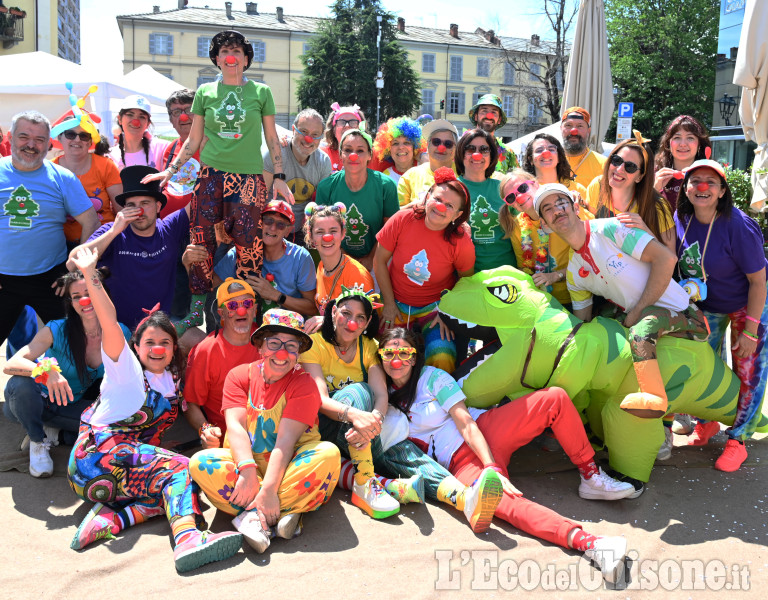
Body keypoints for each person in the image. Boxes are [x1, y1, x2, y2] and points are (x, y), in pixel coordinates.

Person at [378, 327, 633, 584]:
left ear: (415, 356)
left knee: (554, 399)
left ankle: (590, 475)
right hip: (460, 463)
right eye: (389, 352)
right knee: (501, 505)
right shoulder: (381, 397)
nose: (396, 360)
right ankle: (592, 543)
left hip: (486, 429)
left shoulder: (432, 378)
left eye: (404, 352)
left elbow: (466, 423)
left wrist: (492, 467)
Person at [66, 247, 242, 572]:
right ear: (135, 346)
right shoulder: (126, 371)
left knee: (182, 476)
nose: (157, 348)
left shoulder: (174, 378)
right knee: (179, 471)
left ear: (175, 347)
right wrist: (92, 275)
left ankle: (116, 517)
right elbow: (107, 320)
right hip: (95, 462)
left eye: (165, 342)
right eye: (149, 342)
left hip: (116, 469)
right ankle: (188, 539)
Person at [144, 30, 294, 335]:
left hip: (249, 179)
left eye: (238, 51)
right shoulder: (205, 93)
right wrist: (169, 172)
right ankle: (198, 309)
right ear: (216, 58)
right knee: (201, 240)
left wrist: (278, 176)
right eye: (225, 51)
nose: (231, 56)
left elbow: (271, 137)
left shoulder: (261, 92)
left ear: (246, 58)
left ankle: (247, 311)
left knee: (248, 245)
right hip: (211, 176)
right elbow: (194, 139)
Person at [535, 183, 709, 420]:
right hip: (651, 324)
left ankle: (654, 397)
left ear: (575, 207)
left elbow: (667, 259)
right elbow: (583, 326)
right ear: (544, 224)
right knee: (605, 327)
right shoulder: (575, 273)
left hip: (688, 318)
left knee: (639, 330)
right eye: (547, 209)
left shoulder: (610, 229)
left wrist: (637, 311)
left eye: (561, 202)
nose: (557, 210)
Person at [189, 309, 341, 553]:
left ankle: (252, 514)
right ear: (260, 347)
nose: (282, 353)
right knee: (199, 462)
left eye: (291, 346)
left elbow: (286, 441)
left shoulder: (304, 385)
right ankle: (286, 512)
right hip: (246, 463)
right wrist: (248, 472)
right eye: (274, 343)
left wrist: (269, 489)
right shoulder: (239, 376)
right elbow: (235, 426)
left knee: (328, 454)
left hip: (290, 464)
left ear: (299, 353)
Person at [674, 159, 768, 471]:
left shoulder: (738, 225)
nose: (702, 187)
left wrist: (752, 330)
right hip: (706, 306)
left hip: (747, 304)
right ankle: (707, 422)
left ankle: (738, 438)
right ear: (686, 188)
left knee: (748, 369)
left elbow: (758, 280)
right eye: (695, 180)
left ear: (722, 190)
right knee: (704, 366)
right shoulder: (680, 217)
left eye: (710, 182)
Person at [3, 269, 130, 477]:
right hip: (31, 402)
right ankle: (37, 441)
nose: (84, 300)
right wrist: (47, 372)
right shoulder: (57, 329)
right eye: (76, 297)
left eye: (89, 293)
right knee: (21, 384)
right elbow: (11, 364)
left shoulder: (120, 333)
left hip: (69, 405)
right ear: (70, 303)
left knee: (114, 428)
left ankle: (57, 433)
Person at [300, 288, 404, 519]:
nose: (352, 323)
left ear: (367, 322)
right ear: (334, 312)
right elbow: (320, 401)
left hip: (357, 435)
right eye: (346, 313)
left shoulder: (368, 346)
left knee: (406, 454)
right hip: (324, 430)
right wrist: (357, 416)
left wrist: (373, 422)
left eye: (360, 318)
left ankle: (456, 493)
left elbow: (380, 396)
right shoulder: (314, 344)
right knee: (358, 391)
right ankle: (365, 483)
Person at [0, 110, 100, 345]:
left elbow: (91, 221)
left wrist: (74, 271)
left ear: (48, 144)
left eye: (40, 140)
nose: (31, 145)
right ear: (11, 137)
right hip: (3, 278)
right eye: (24, 137)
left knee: (71, 342)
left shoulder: (62, 177)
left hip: (51, 279)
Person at [68, 166, 191, 333]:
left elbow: (203, 199)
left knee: (196, 339)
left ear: (158, 206)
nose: (138, 211)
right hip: (116, 329)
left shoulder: (169, 229)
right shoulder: (112, 231)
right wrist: (113, 232)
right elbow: (72, 263)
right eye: (131, 205)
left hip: (156, 330)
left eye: (145, 203)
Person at [375, 168, 475, 373]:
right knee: (385, 355)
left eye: (449, 206)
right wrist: (389, 304)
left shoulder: (461, 241)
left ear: (457, 215)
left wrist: (446, 312)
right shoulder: (402, 219)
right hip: (397, 305)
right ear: (427, 196)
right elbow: (379, 261)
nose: (441, 207)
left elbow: (466, 283)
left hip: (435, 309)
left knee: (442, 356)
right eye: (438, 199)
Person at [183, 278, 262, 449]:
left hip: (269, 436)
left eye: (247, 304)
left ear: (255, 310)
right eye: (232, 306)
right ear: (221, 313)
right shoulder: (206, 351)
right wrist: (205, 429)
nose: (242, 310)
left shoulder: (269, 340)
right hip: (228, 442)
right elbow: (190, 403)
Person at [212, 199, 317, 317]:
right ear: (259, 223)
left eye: (280, 224)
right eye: (268, 221)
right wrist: (189, 262)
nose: (273, 228)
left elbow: (313, 307)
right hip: (248, 326)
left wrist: (275, 295)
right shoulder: (241, 251)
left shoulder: (300, 257)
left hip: (288, 328)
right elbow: (209, 284)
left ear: (287, 231)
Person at [315, 128, 399, 271]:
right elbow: (322, 231)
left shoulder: (386, 186)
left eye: (360, 151)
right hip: (336, 259)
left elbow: (390, 231)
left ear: (369, 155)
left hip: (377, 262)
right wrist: (345, 258)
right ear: (341, 154)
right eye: (348, 150)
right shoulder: (326, 187)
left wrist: (371, 259)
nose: (353, 155)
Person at [498, 169, 583, 308]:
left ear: (536, 185)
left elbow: (591, 259)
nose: (518, 196)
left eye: (522, 188)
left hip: (579, 294)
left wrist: (556, 275)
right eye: (511, 197)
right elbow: (523, 267)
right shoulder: (517, 227)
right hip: (544, 300)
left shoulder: (565, 210)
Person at [586, 133, 676, 252]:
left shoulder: (657, 207)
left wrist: (645, 232)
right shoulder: (597, 186)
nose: (619, 169)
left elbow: (670, 257)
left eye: (630, 167)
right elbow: (591, 229)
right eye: (616, 160)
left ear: (640, 177)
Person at [52, 111, 122, 247]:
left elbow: (120, 209)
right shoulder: (50, 169)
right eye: (70, 134)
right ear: (60, 137)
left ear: (90, 141)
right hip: (61, 246)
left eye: (83, 136)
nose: (77, 140)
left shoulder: (106, 166)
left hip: (103, 242)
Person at [302, 202, 374, 334]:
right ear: (311, 236)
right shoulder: (321, 267)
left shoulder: (357, 276)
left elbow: (365, 327)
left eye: (333, 231)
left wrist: (327, 320)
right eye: (320, 232)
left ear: (343, 233)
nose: (327, 237)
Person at [263, 108, 331, 241]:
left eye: (315, 134)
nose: (308, 139)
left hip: (302, 232)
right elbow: (259, 198)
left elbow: (322, 204)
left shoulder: (323, 161)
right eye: (304, 132)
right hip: (271, 229)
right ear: (293, 130)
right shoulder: (275, 154)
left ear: (320, 137)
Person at [456, 127, 517, 271]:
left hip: (507, 271)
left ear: (491, 156)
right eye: (470, 149)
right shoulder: (452, 189)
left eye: (484, 150)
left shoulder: (504, 189)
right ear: (461, 154)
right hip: (467, 274)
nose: (477, 155)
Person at [654, 115, 712, 212]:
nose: (683, 144)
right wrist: (654, 190)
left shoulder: (711, 174)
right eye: (677, 137)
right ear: (668, 143)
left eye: (690, 138)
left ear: (699, 144)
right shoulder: (654, 173)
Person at [397, 119, 458, 207]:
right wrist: (415, 206)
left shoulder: (464, 175)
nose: (441, 147)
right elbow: (397, 213)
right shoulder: (410, 176)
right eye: (436, 142)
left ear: (455, 149)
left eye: (448, 144)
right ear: (428, 146)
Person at [160, 89, 200, 218]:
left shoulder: (213, 146)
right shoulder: (170, 148)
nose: (184, 117)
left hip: (200, 230)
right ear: (171, 120)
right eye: (177, 112)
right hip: (169, 228)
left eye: (189, 110)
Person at [108, 95, 169, 170]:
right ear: (120, 119)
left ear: (148, 123)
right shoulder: (110, 156)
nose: (135, 121)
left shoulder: (164, 148)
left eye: (142, 117)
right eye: (130, 115)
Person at [523, 133, 587, 199]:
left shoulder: (577, 189)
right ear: (531, 160)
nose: (546, 153)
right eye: (539, 150)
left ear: (559, 158)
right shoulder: (525, 192)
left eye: (551, 149)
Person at [467, 93, 519, 174]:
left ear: (499, 120)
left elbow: (518, 181)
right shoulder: (462, 147)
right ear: (476, 116)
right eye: (484, 111)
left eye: (494, 112)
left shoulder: (508, 153)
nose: (489, 115)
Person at [560, 107, 607, 189]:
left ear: (588, 131)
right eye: (568, 125)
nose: (574, 131)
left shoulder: (604, 164)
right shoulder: (550, 161)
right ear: (561, 129)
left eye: (580, 126)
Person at [371, 116, 425, 185]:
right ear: (388, 149)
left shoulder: (423, 168)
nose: (401, 147)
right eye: (395, 143)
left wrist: (424, 156)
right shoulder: (385, 178)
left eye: (406, 142)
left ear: (414, 147)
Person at [321, 102, 367, 173]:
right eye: (341, 122)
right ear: (333, 129)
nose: (347, 125)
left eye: (353, 122)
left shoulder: (371, 156)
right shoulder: (321, 154)